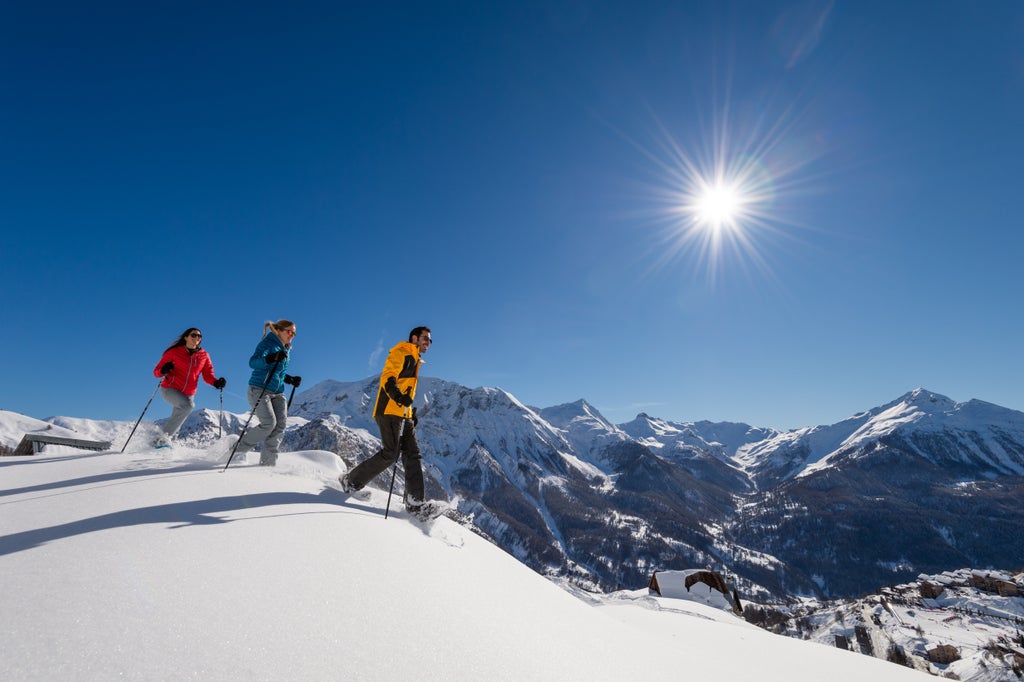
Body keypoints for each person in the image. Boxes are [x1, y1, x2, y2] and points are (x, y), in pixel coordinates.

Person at [341, 326, 432, 511]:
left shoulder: (415, 358)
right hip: (389, 410)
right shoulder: (401, 352)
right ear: (414, 338)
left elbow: (405, 390)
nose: (428, 343)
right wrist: (398, 397)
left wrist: (410, 414)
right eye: (425, 339)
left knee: (413, 454)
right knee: (391, 454)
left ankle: (415, 503)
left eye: (430, 340)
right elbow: (388, 377)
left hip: (403, 413)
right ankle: (351, 481)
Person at [234, 319, 299, 466]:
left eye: (294, 333)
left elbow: (277, 371)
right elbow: (253, 362)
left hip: (278, 392)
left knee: (280, 426)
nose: (292, 335)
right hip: (259, 389)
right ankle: (236, 451)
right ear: (279, 330)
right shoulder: (267, 343)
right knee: (269, 424)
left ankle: (267, 464)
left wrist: (290, 379)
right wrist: (271, 358)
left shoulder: (286, 348)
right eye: (289, 332)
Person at [152, 327, 226, 445]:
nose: (197, 338)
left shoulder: (204, 355)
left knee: (178, 418)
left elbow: (208, 375)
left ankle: (166, 445)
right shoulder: (174, 352)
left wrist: (216, 382)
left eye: (199, 336)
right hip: (170, 389)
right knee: (188, 407)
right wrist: (163, 370)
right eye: (193, 335)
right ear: (186, 337)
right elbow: (156, 372)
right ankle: (160, 441)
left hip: (189, 393)